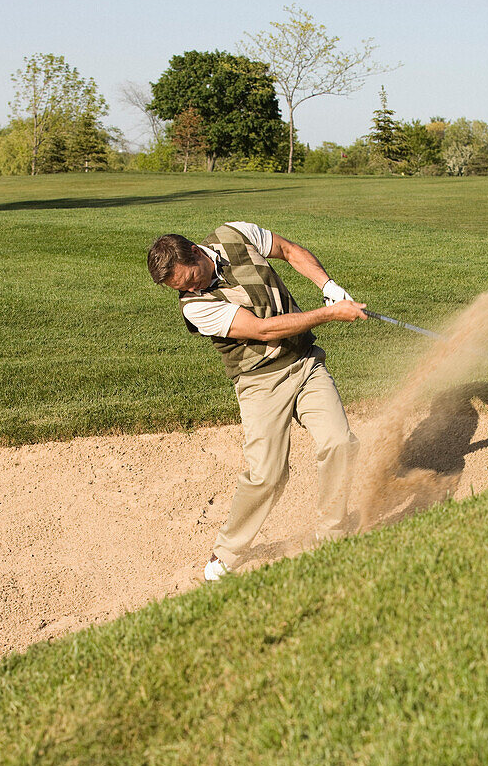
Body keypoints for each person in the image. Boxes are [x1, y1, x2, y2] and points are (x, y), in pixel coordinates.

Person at [147, 221, 367, 581]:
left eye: (192, 279)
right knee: (267, 474)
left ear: (197, 253)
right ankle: (228, 552)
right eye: (181, 288)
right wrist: (330, 312)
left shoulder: (234, 234)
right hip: (260, 383)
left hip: (305, 362)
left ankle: (332, 534)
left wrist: (328, 286)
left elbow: (289, 251)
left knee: (340, 442)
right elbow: (263, 330)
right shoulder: (195, 307)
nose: (191, 289)